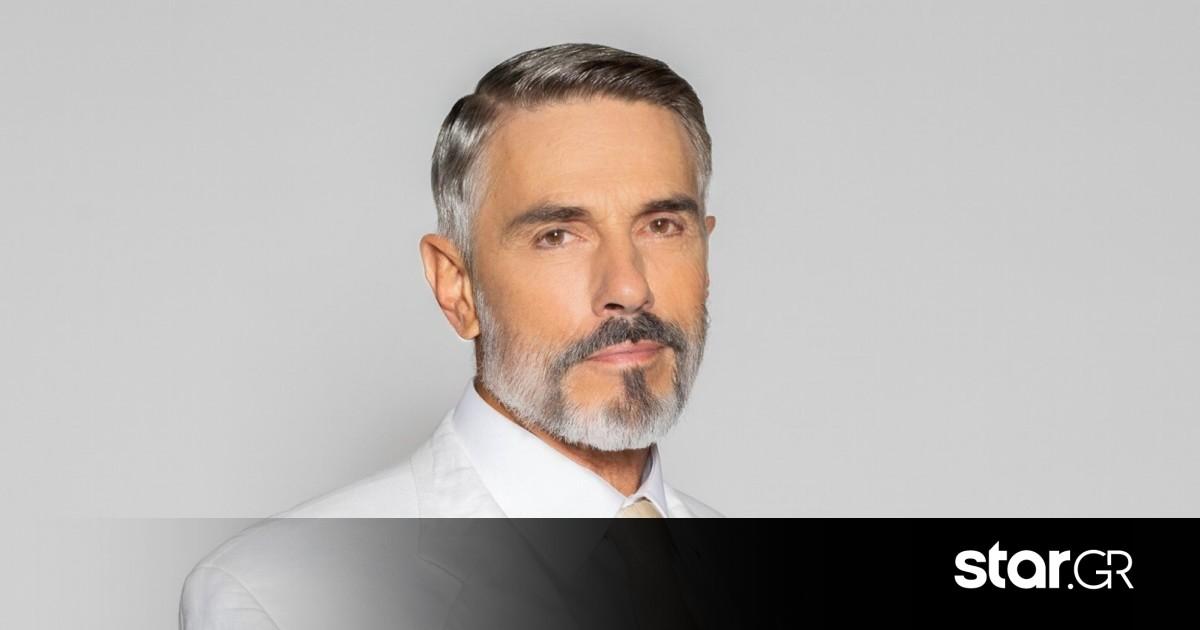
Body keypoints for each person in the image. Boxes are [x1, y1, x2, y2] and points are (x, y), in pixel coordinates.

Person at [180, 42, 724, 630]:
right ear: (457, 286)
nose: (628, 286)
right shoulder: (281, 599)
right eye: (557, 235)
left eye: (662, 226)